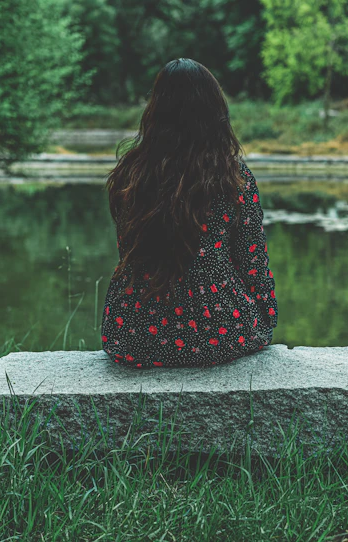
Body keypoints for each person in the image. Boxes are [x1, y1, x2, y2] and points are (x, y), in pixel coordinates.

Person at [100, 58, 278, 368]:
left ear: (156, 110)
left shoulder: (132, 172)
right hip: (217, 331)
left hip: (133, 334)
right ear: (214, 111)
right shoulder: (231, 175)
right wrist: (265, 313)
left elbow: (126, 250)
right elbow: (252, 258)